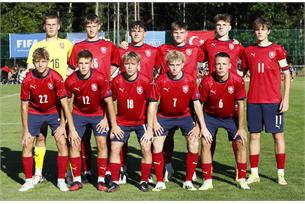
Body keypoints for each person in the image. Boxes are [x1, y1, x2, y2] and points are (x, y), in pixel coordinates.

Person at [20, 13, 74, 185]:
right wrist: (25, 74)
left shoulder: (67, 44)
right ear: (44, 26)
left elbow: (74, 66)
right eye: (48, 25)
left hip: (61, 97)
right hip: (40, 97)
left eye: (54, 24)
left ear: (59, 26)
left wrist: (70, 74)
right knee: (40, 137)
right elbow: (30, 68)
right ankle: (37, 173)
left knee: (62, 136)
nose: (51, 27)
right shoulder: (38, 45)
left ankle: (66, 173)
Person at [145, 50, 209, 191]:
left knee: (193, 142)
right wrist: (152, 124)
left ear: (182, 65)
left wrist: (202, 126)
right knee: (156, 144)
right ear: (167, 65)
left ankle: (188, 181)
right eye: (171, 65)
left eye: (177, 64)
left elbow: (197, 104)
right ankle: (160, 181)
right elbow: (153, 104)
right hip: (164, 117)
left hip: (184, 117)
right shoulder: (160, 80)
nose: (174, 67)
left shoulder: (190, 80)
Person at [68, 14, 121, 184]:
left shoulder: (108, 45)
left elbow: (116, 63)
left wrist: (104, 77)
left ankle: (106, 174)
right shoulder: (78, 46)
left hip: (101, 97)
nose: (91, 29)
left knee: (104, 140)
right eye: (88, 26)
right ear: (85, 28)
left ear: (99, 26)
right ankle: (85, 172)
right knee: (82, 140)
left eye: (94, 26)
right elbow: (71, 69)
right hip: (83, 97)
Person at [241, 17, 290, 186]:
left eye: (263, 29)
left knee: (278, 136)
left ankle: (280, 174)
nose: (260, 32)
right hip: (254, 101)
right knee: (254, 136)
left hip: (273, 101)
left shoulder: (277, 50)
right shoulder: (248, 51)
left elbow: (287, 74)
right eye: (257, 29)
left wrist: (286, 97)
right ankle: (254, 174)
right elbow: (241, 74)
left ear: (268, 31)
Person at [65, 50, 123, 191]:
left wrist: (107, 121)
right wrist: (66, 124)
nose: (84, 66)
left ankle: (101, 180)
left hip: (98, 114)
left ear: (92, 63)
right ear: (77, 64)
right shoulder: (71, 80)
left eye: (86, 63)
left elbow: (109, 102)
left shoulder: (100, 78)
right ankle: (77, 180)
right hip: (79, 114)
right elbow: (66, 102)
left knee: (102, 143)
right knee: (74, 143)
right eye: (81, 63)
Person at [155, 21, 205, 182]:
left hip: (189, 98)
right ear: (172, 33)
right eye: (175, 32)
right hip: (168, 98)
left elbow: (215, 54)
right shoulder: (162, 49)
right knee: (166, 136)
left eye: (181, 32)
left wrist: (234, 42)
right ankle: (168, 166)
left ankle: (192, 171)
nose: (178, 35)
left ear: (187, 33)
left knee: (193, 136)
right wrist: (125, 46)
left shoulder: (195, 50)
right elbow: (147, 60)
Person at [201, 13, 245, 180]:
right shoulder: (208, 44)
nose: (221, 27)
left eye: (224, 25)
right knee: (208, 138)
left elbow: (248, 60)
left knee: (237, 138)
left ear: (229, 27)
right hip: (212, 92)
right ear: (215, 27)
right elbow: (194, 56)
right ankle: (208, 169)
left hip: (231, 95)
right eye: (218, 25)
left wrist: (242, 74)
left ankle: (238, 168)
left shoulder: (237, 46)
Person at [198, 52, 249, 191]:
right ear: (214, 65)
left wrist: (241, 127)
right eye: (218, 64)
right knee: (205, 142)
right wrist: (200, 126)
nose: (220, 67)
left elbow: (241, 104)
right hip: (210, 116)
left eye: (224, 64)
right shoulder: (206, 81)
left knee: (241, 141)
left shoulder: (237, 80)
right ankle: (207, 180)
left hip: (230, 117)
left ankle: (242, 178)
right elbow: (200, 104)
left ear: (229, 65)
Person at [116, 20, 159, 184]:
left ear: (145, 33)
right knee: (121, 138)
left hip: (146, 100)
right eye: (133, 31)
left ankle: (148, 172)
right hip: (126, 97)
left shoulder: (152, 51)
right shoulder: (123, 50)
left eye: (139, 31)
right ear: (129, 33)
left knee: (149, 138)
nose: (136, 34)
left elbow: (161, 70)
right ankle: (122, 169)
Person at [106, 51, 152, 192]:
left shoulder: (145, 81)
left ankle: (144, 180)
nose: (130, 67)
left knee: (146, 148)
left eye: (133, 64)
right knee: (114, 147)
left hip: (141, 122)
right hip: (122, 122)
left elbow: (152, 104)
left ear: (138, 65)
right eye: (127, 64)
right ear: (122, 65)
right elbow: (110, 102)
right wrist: (114, 125)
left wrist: (150, 128)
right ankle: (114, 181)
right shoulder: (116, 81)